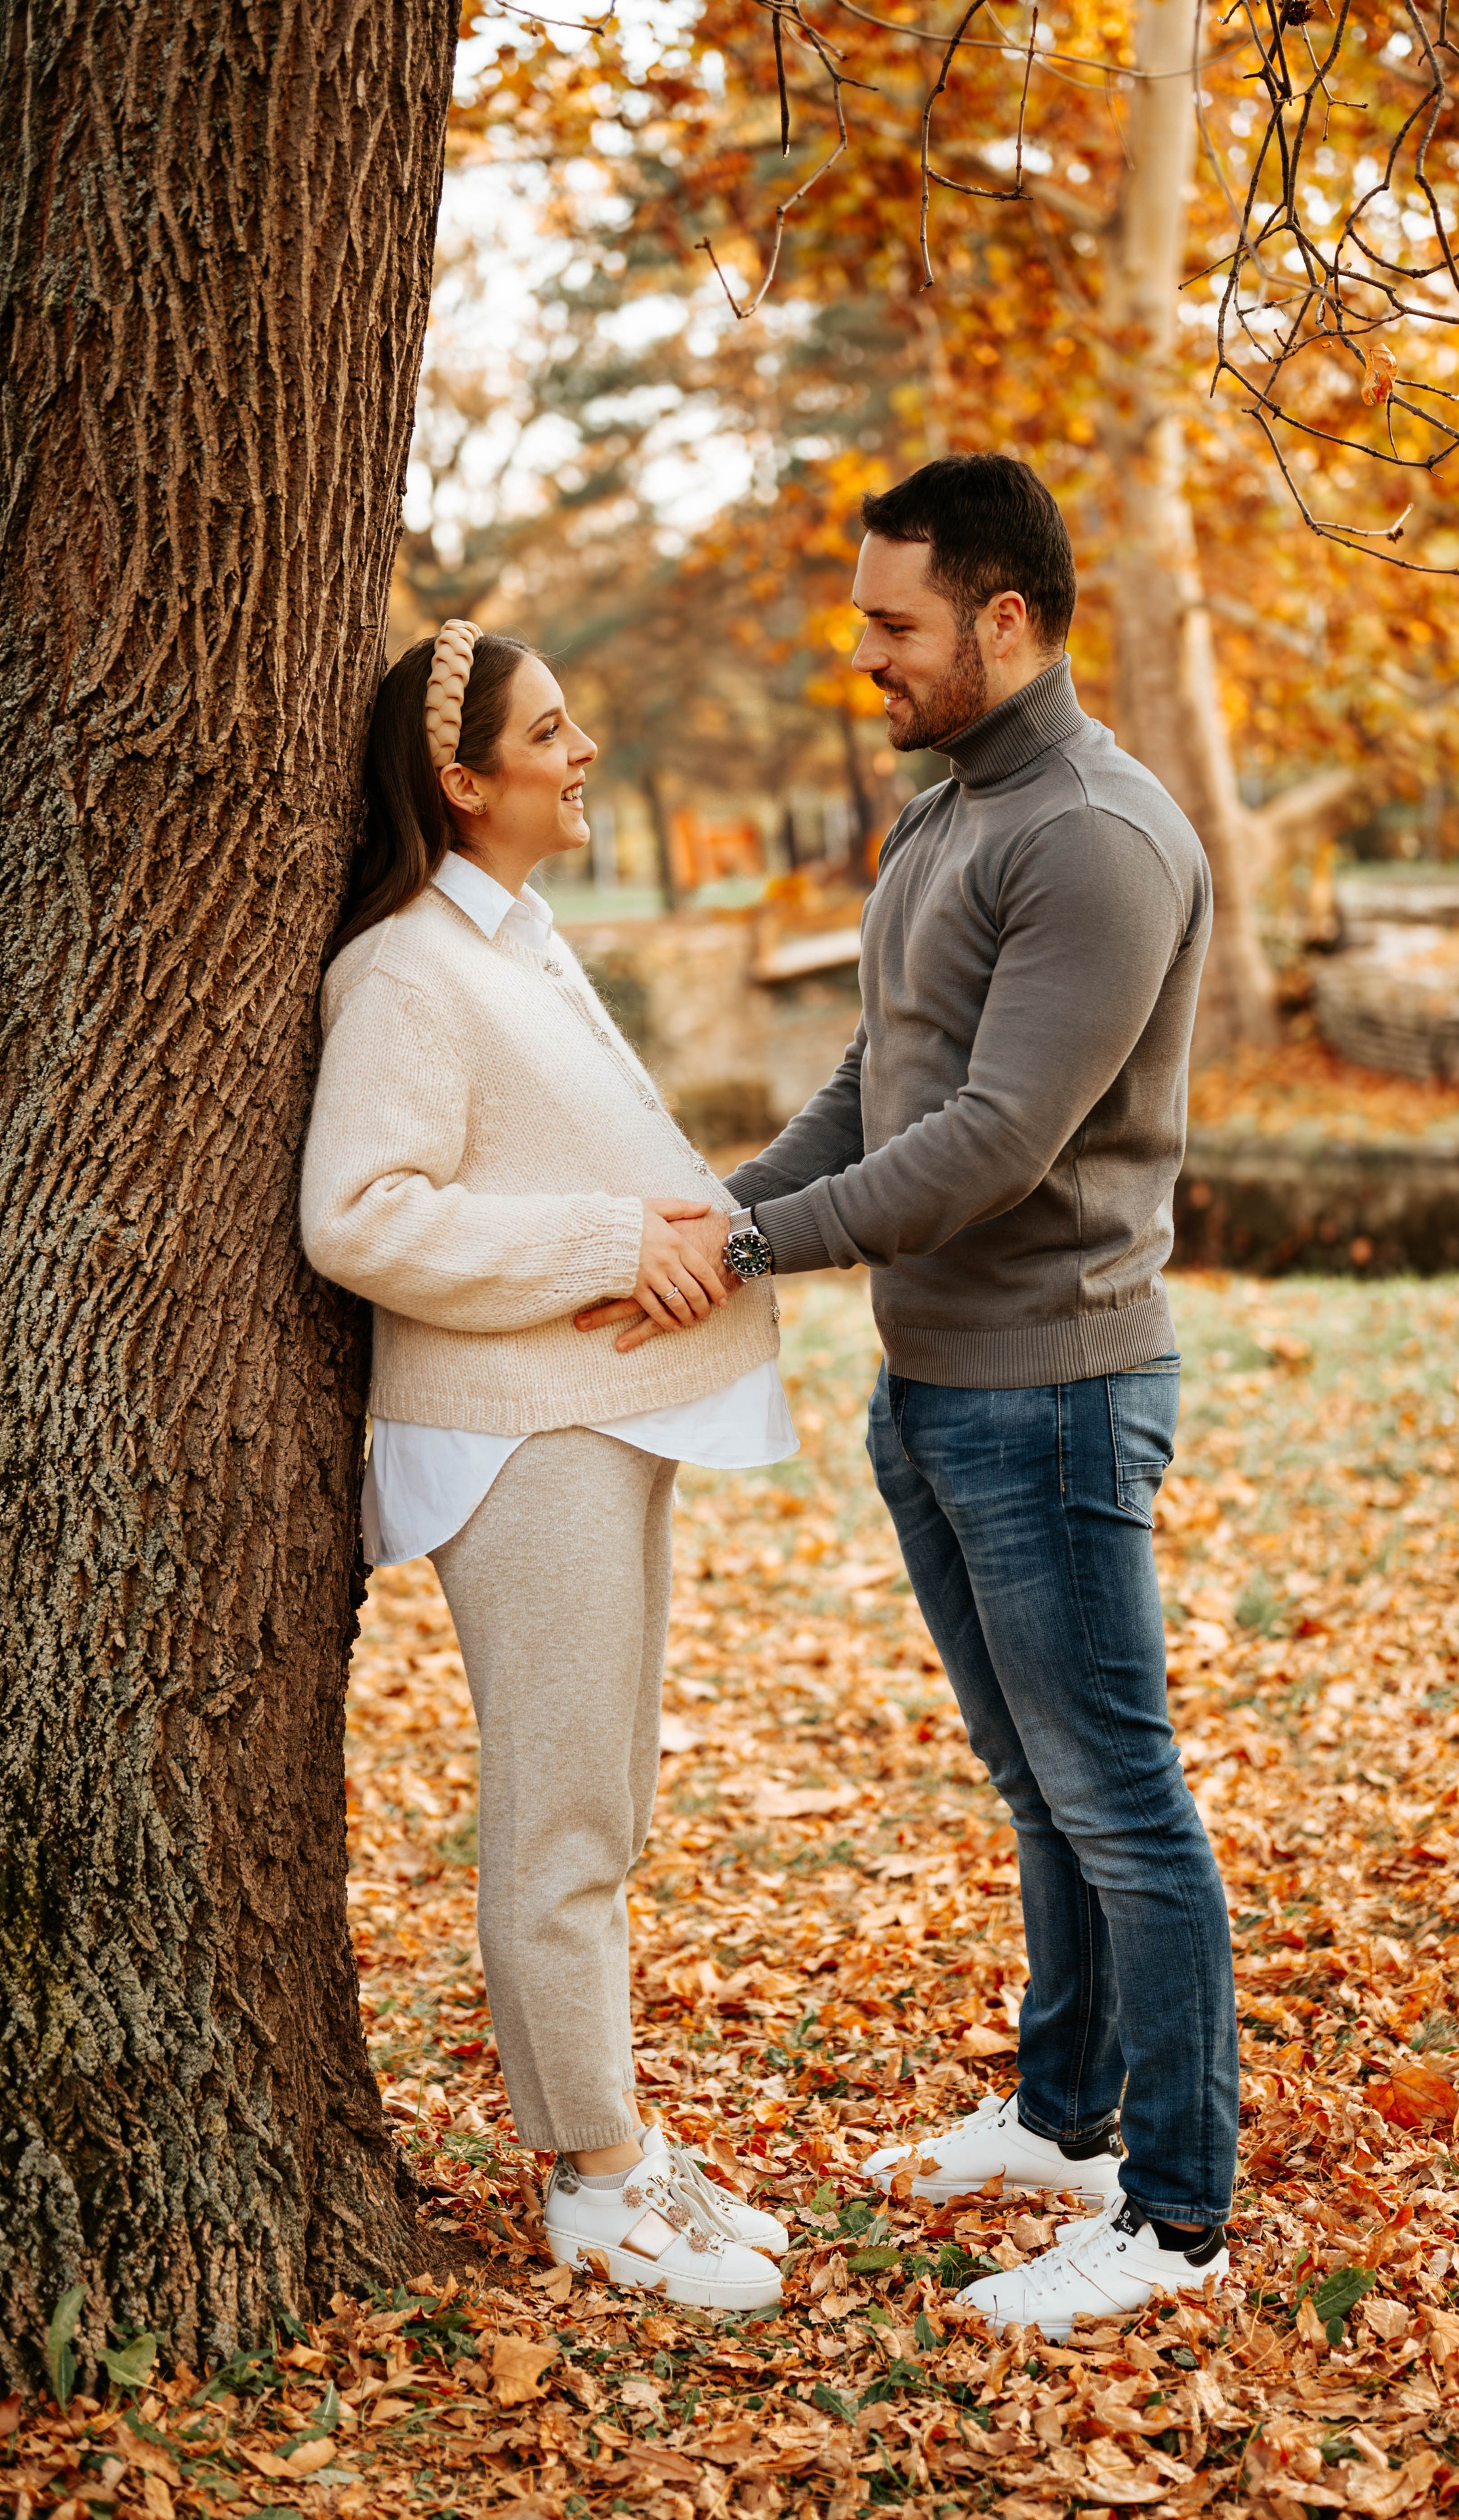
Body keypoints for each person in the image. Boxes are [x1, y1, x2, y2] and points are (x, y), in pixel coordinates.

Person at [579, 454, 1239, 2339]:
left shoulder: (1098, 839)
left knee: (1123, 1804)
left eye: (895, 624)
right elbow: (874, 1090)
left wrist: (758, 1253)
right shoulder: (942, 820)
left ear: (1004, 621)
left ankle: (1176, 2212)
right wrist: (726, 1203)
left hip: (1055, 1396)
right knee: (1044, 1788)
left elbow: (989, 1148)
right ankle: (1064, 2119)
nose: (864, 655)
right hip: (939, 1391)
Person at [300, 621, 796, 2313]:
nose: (585, 753)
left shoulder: (516, 940)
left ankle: (619, 2142)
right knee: (564, 1820)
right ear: (463, 780)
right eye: (555, 731)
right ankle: (593, 2183)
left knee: (610, 1804)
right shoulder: (404, 971)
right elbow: (359, 1215)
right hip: (514, 1434)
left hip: (593, 1416)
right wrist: (605, 1240)